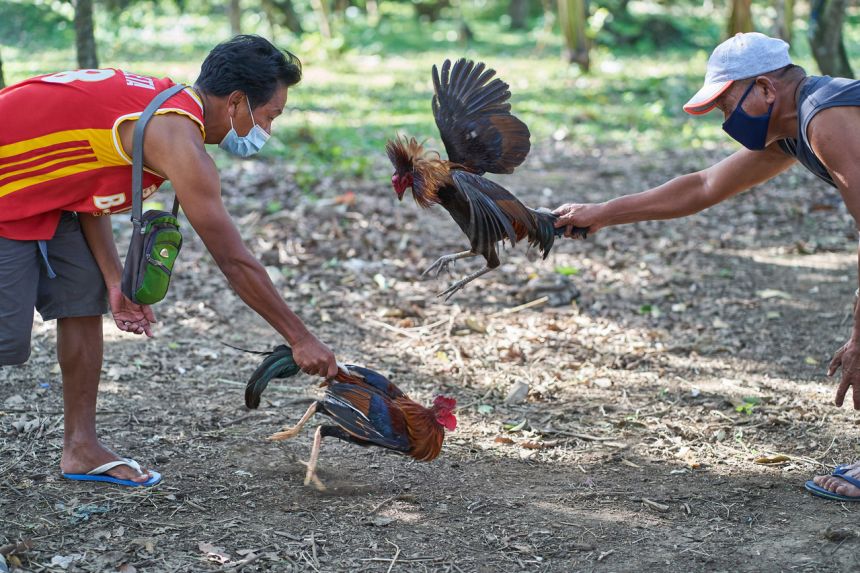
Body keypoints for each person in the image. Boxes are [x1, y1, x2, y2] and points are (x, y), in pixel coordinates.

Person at [0, 35, 339, 487]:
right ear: (237, 102)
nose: (268, 131)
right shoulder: (177, 139)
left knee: (85, 297)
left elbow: (88, 191)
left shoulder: (171, 105)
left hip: (49, 194)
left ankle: (81, 448)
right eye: (269, 115)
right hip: (10, 189)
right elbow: (234, 260)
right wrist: (301, 339)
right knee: (6, 337)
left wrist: (116, 279)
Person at [553, 32, 860, 502]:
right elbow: (702, 186)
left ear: (764, 88)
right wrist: (603, 212)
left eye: (726, 105)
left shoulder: (826, 119)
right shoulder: (791, 130)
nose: (725, 120)